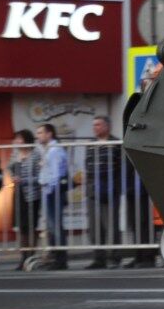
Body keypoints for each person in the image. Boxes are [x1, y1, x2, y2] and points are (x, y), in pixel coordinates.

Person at [80, 115, 124, 269]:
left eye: (98, 124)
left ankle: (114, 257)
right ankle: (99, 258)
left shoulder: (116, 143)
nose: (95, 127)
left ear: (107, 126)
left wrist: (117, 187)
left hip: (110, 189)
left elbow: (121, 167)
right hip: (93, 190)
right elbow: (87, 166)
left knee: (111, 225)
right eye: (94, 125)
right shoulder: (90, 145)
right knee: (95, 226)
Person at [33, 122, 70, 269]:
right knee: (51, 227)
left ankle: (60, 260)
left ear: (49, 134)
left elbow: (56, 174)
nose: (38, 136)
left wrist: (51, 190)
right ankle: (56, 258)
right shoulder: (47, 149)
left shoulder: (54, 150)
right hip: (48, 191)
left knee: (55, 227)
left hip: (53, 192)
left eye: (41, 133)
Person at [8, 129, 39, 269]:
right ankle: (23, 257)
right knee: (21, 227)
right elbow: (9, 167)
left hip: (31, 195)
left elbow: (40, 177)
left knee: (31, 226)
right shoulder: (15, 154)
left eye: (19, 138)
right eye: (16, 139)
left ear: (26, 139)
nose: (17, 141)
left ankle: (31, 257)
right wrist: (13, 176)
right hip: (18, 194)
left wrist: (25, 180)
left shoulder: (35, 154)